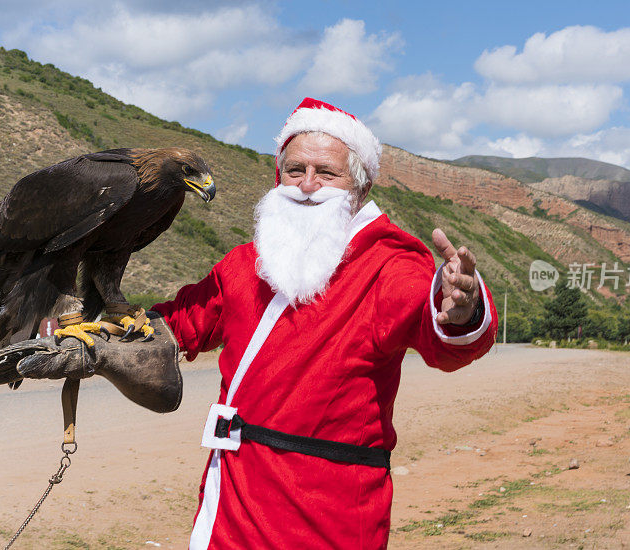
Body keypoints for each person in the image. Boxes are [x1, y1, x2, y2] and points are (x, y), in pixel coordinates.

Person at [151, 98, 499, 549]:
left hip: (327, 509)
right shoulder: (247, 263)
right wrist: (100, 335)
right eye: (295, 170)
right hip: (234, 498)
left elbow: (437, 331)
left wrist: (461, 308)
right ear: (278, 175)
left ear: (361, 185)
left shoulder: (390, 262)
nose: (308, 185)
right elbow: (179, 321)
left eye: (327, 173)